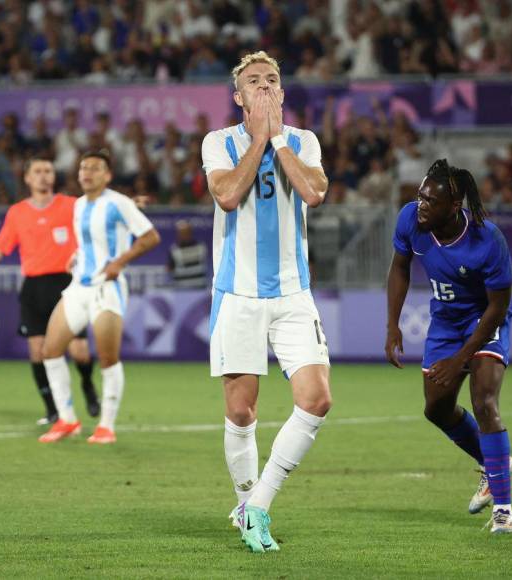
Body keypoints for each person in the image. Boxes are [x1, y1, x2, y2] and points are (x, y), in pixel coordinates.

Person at [201, 50, 331, 553]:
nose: (262, 87)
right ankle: (244, 502)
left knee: (317, 399)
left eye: (271, 80)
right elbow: (228, 195)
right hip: (238, 294)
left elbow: (314, 192)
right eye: (252, 82)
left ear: (282, 91)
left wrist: (276, 138)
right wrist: (258, 139)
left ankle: (259, 504)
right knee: (240, 413)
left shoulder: (303, 141)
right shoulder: (219, 142)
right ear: (237, 96)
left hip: (294, 293)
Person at [385, 159, 512, 534]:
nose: (420, 205)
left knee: (484, 400)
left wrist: (462, 358)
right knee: (435, 409)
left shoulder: (487, 239)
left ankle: (504, 511)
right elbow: (399, 267)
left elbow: (498, 306)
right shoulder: (411, 220)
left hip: (484, 318)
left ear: (453, 205)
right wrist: (392, 324)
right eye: (420, 196)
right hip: (445, 320)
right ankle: (494, 465)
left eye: (430, 200)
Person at [0, 157, 99, 425]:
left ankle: (88, 385)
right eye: (38, 171)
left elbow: (99, 213)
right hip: (34, 288)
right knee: (38, 351)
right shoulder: (17, 213)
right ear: (27, 178)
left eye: (48, 171)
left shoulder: (71, 205)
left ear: (53, 177)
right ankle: (52, 410)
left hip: (66, 284)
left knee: (79, 350)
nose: (44, 176)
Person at [38, 150, 160, 445]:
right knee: (50, 350)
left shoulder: (118, 203)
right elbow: (89, 242)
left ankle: (106, 426)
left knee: (107, 357)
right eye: (83, 167)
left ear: (107, 175)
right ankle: (67, 420)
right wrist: (77, 255)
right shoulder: (79, 205)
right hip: (79, 286)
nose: (87, 172)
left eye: (94, 168)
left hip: (107, 287)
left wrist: (120, 262)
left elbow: (150, 237)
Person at [166, 219, 208, 288]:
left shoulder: (201, 247)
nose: (183, 235)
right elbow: (170, 268)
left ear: (190, 232)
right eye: (181, 233)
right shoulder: (173, 250)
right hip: (182, 290)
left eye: (186, 232)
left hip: (200, 288)